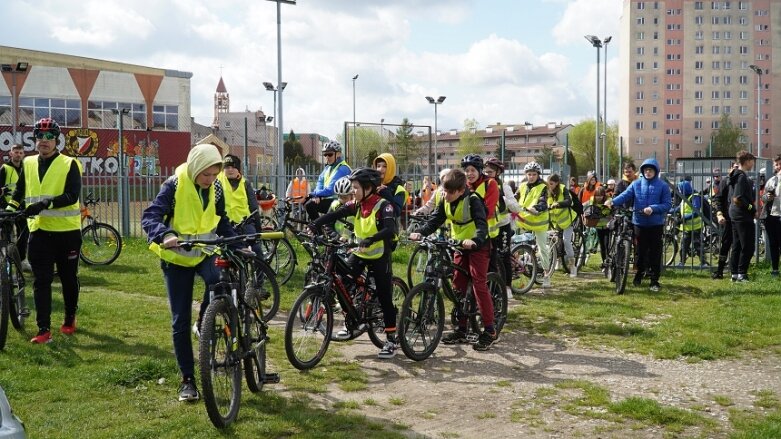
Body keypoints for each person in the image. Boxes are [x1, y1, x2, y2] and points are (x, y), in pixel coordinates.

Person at [141, 143, 238, 402]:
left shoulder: (216, 187)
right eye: (206, 174)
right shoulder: (173, 185)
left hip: (204, 254)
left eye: (214, 174)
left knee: (219, 283)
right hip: (176, 258)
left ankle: (204, 321)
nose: (210, 180)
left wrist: (239, 243)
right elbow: (150, 216)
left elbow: (221, 220)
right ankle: (188, 380)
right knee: (179, 321)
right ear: (195, 168)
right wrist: (165, 234)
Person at [5, 118, 82, 344]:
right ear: (35, 139)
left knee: (68, 278)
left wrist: (45, 204)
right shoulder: (28, 163)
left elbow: (72, 196)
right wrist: (10, 212)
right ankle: (43, 329)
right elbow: (19, 192)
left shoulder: (70, 164)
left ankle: (69, 317)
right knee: (41, 280)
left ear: (56, 140)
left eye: (49, 137)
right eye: (40, 136)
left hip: (67, 233)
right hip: (39, 232)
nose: (44, 141)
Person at [310, 168, 399, 358]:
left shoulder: (384, 206)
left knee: (384, 296)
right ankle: (353, 321)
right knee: (343, 281)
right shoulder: (357, 204)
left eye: (356, 188)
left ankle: (391, 339)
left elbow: (390, 230)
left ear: (368, 188)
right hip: (360, 252)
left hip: (379, 254)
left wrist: (372, 239)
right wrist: (315, 224)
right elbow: (335, 214)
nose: (353, 191)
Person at [409, 168, 497, 351]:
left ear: (460, 190)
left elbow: (482, 226)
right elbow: (435, 220)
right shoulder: (444, 198)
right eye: (444, 191)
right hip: (458, 245)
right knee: (458, 284)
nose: (446, 195)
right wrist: (420, 232)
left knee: (479, 284)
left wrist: (475, 241)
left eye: (450, 192)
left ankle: (489, 330)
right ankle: (462, 329)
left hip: (477, 246)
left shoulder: (473, 201)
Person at [606, 158, 671, 292]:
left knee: (655, 253)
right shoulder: (636, 184)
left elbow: (667, 205)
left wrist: (653, 208)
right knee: (640, 252)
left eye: (651, 170)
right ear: (642, 171)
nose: (648, 172)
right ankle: (639, 274)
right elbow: (625, 195)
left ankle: (654, 280)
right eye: (646, 169)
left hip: (655, 224)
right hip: (639, 223)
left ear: (655, 171)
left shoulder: (663, 186)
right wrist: (612, 201)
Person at [507, 162, 551, 288]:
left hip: (539, 222)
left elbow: (544, 201)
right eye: (529, 174)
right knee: (513, 242)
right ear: (525, 175)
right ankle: (517, 266)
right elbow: (513, 199)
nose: (531, 176)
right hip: (523, 220)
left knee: (542, 248)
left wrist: (537, 207)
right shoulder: (522, 186)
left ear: (538, 175)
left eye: (534, 174)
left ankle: (546, 275)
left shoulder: (543, 187)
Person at [484, 157, 515, 296]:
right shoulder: (482, 185)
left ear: (497, 173)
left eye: (490, 172)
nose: (487, 173)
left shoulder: (505, 187)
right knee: (489, 257)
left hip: (502, 226)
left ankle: (507, 286)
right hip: (488, 227)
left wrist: (504, 199)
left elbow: (515, 206)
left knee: (504, 256)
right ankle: (492, 286)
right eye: (486, 171)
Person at [727, 150, 756, 282]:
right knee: (748, 246)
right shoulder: (741, 177)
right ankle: (742, 273)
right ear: (748, 161)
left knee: (737, 244)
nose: (753, 164)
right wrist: (752, 208)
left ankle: (734, 273)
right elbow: (737, 199)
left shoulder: (735, 175)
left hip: (735, 214)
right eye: (752, 161)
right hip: (742, 216)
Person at [218, 154, 262, 238]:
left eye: (233, 167)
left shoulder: (245, 183)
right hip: (225, 225)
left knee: (255, 248)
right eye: (227, 167)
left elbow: (254, 207)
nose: (230, 170)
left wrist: (258, 227)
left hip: (245, 224)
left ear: (238, 169)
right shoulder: (217, 182)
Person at [305, 140, 351, 221]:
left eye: (330, 154)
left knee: (310, 204)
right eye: (325, 154)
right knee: (308, 202)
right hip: (328, 198)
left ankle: (318, 229)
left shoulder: (343, 168)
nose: (327, 157)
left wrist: (314, 194)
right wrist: (317, 195)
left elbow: (331, 190)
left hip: (341, 200)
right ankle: (321, 228)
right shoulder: (328, 167)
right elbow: (320, 182)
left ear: (339, 154)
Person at [0, 144, 29, 263]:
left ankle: (22, 260)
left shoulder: (26, 168)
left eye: (21, 152)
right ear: (11, 154)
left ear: (24, 155)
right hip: (7, 206)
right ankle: (6, 260)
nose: (18, 155)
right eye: (16, 152)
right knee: (7, 234)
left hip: (22, 206)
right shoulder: (5, 168)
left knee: (24, 233)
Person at [546, 174, 578, 278]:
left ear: (556, 183)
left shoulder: (563, 189)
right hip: (557, 222)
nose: (549, 186)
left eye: (551, 184)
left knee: (565, 241)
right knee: (555, 241)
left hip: (568, 220)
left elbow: (568, 201)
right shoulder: (547, 192)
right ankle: (558, 260)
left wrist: (558, 204)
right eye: (548, 184)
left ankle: (573, 266)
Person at [711, 163, 738, 279]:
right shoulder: (725, 182)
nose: (736, 170)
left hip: (742, 220)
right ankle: (720, 271)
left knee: (740, 246)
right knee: (726, 245)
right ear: (730, 169)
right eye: (734, 167)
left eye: (738, 167)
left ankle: (737, 272)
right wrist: (719, 213)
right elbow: (718, 199)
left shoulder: (746, 181)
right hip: (729, 219)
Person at [675, 180, 707, 267]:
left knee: (698, 246)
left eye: (679, 189)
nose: (679, 190)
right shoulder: (684, 198)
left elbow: (696, 211)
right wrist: (670, 211)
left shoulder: (694, 197)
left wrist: (684, 218)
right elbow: (679, 208)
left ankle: (703, 263)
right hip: (686, 227)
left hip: (696, 227)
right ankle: (682, 262)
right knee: (683, 246)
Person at [761, 154, 781, 277]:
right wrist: (766, 197)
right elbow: (763, 197)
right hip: (771, 215)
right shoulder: (772, 180)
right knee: (773, 244)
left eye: (779, 164)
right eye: (776, 164)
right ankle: (775, 269)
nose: (777, 167)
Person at [582, 186, 611, 268]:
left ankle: (608, 261)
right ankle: (604, 262)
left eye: (600, 195)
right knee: (602, 246)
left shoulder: (608, 201)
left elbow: (611, 211)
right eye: (597, 195)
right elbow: (584, 206)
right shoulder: (591, 201)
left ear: (604, 195)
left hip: (607, 227)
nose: (598, 197)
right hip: (598, 227)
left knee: (607, 245)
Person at [327, 176, 355, 242]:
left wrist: (351, 238)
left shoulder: (357, 207)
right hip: (337, 239)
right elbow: (327, 225)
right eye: (340, 197)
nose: (342, 200)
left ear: (352, 195)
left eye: (345, 197)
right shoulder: (335, 205)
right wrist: (336, 236)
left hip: (353, 241)